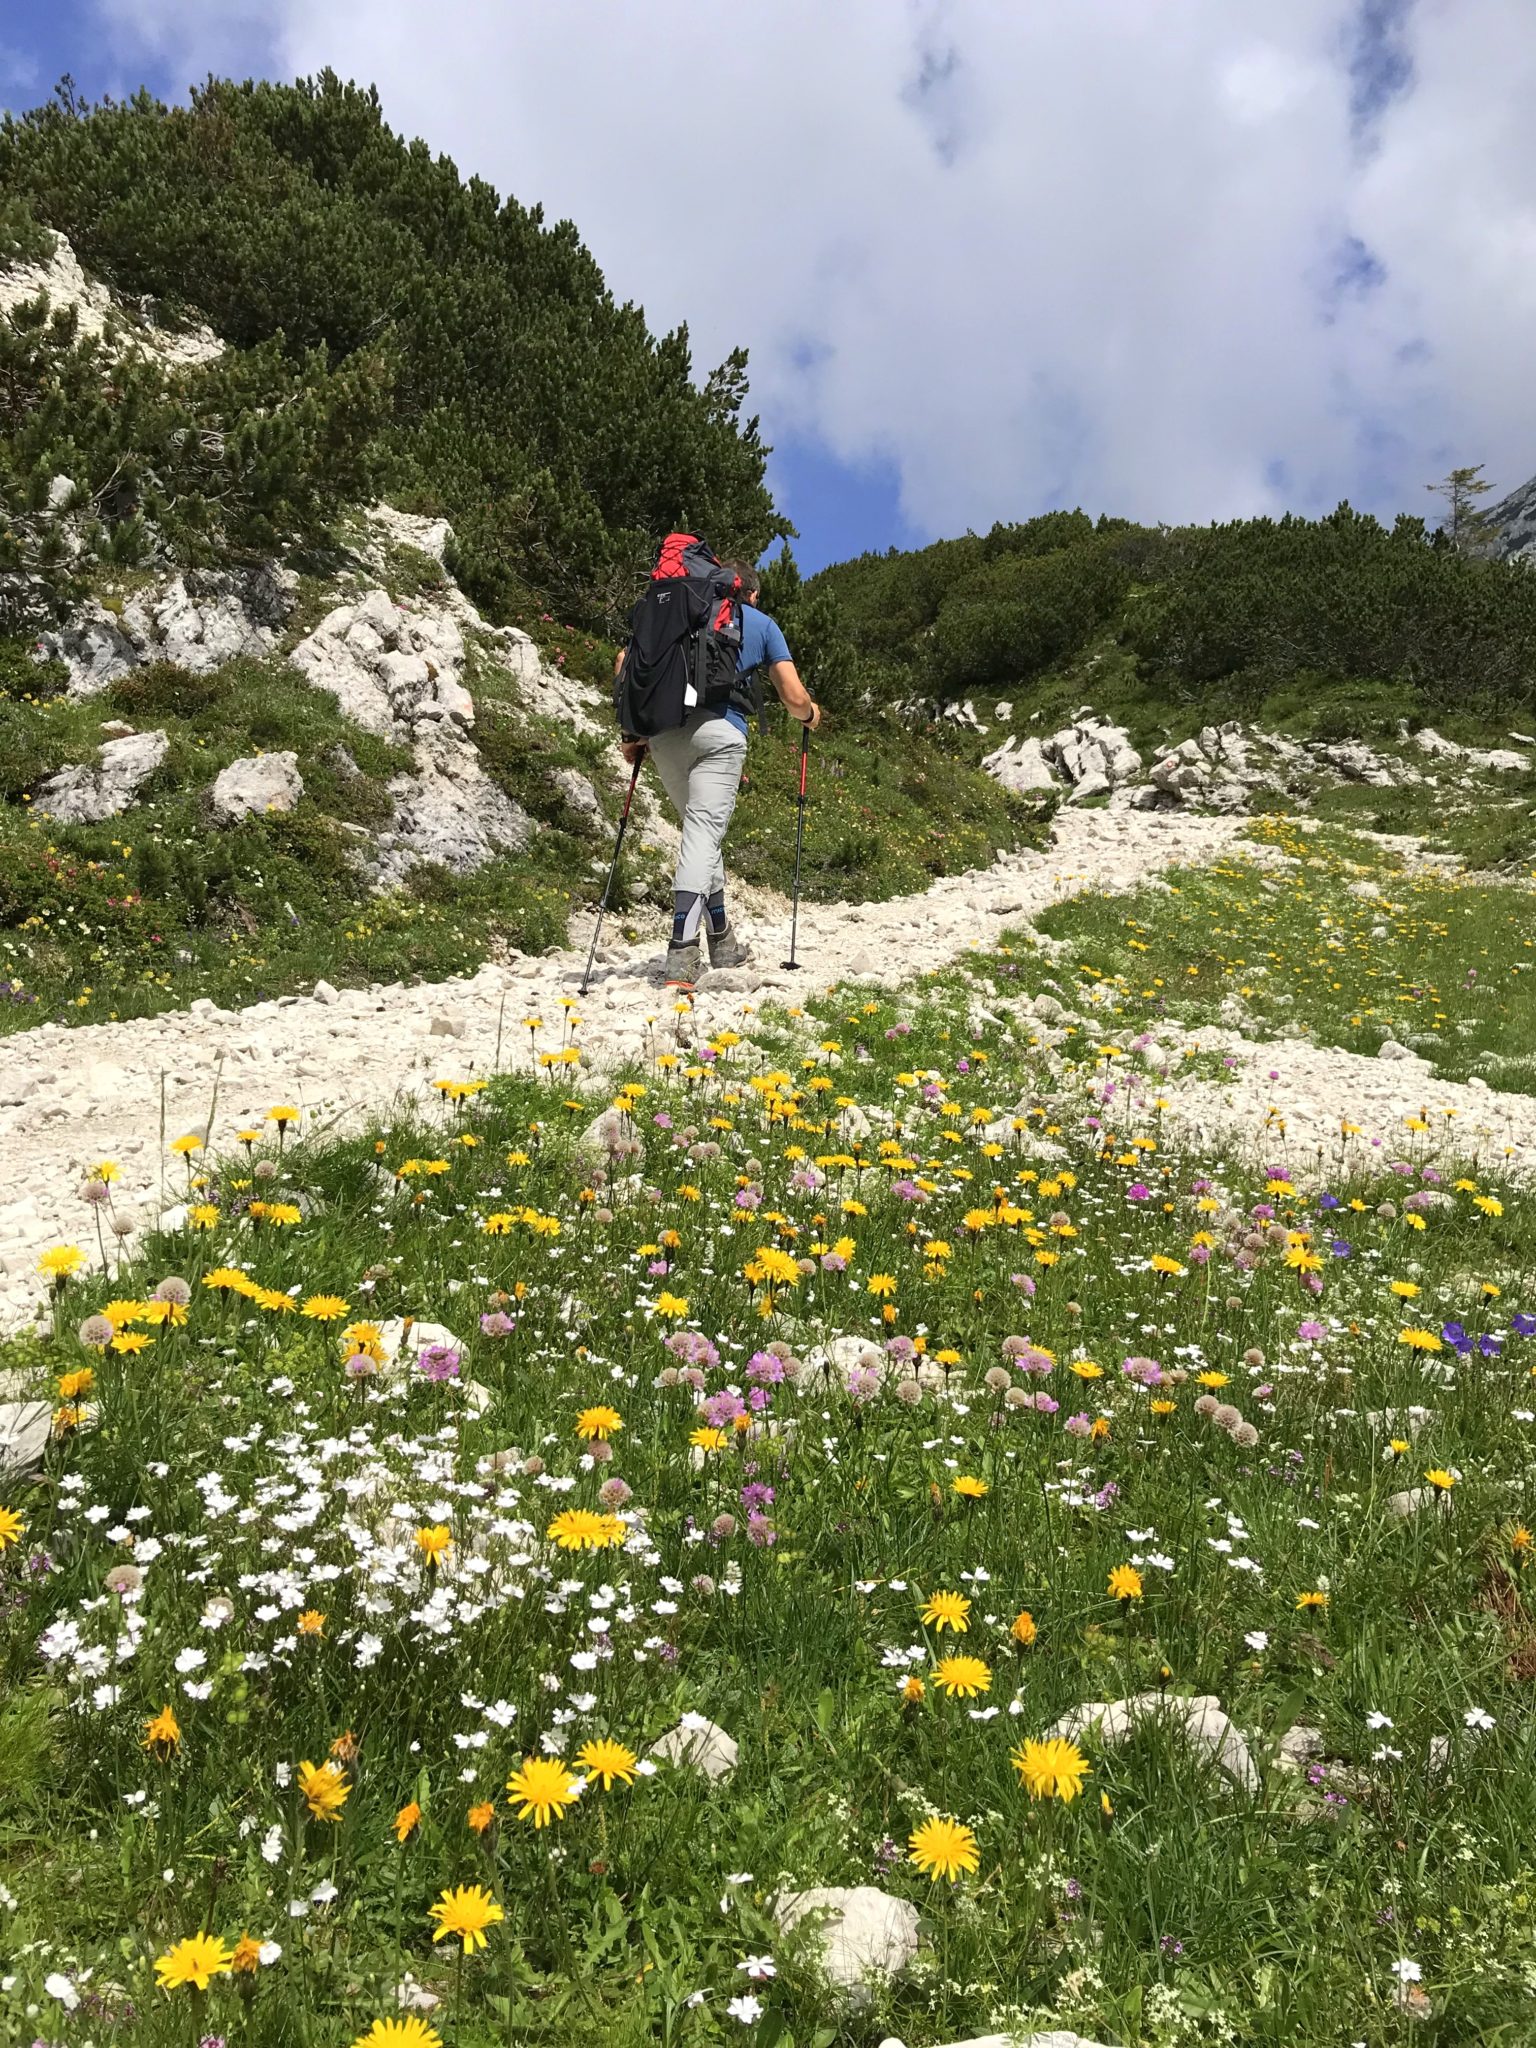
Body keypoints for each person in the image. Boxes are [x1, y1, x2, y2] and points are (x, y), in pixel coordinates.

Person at [616, 559, 820, 986]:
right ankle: (681, 952)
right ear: (752, 592)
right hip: (720, 733)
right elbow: (794, 695)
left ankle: (722, 940)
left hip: (665, 737)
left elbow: (624, 661)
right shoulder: (759, 622)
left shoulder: (676, 617)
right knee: (703, 833)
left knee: (699, 835)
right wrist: (812, 716)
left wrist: (634, 734)